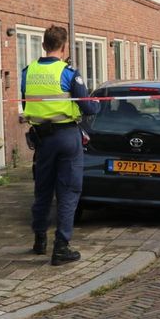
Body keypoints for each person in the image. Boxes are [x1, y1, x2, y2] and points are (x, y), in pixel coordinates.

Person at [21, 25, 99, 266]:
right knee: (68, 191)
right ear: (64, 47)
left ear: (43, 45)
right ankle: (61, 247)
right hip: (66, 137)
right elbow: (88, 108)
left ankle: (39, 239)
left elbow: (26, 99)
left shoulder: (28, 71)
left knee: (42, 188)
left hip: (41, 139)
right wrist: (97, 104)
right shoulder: (69, 73)